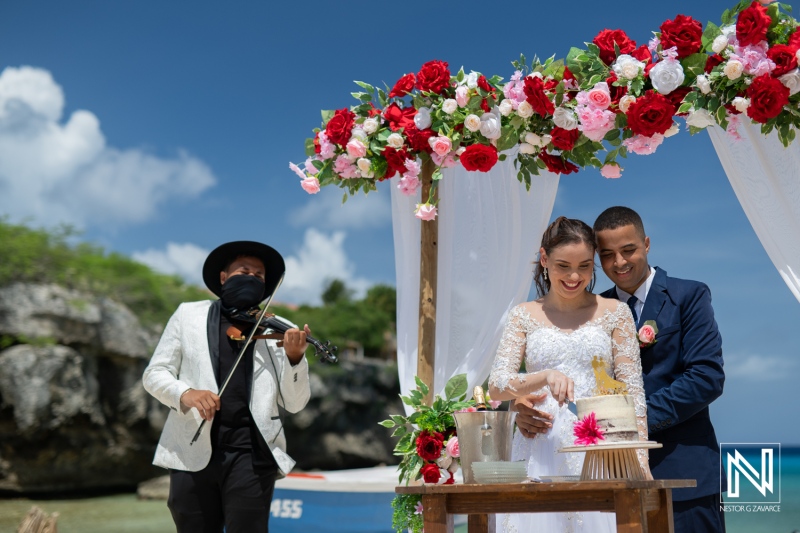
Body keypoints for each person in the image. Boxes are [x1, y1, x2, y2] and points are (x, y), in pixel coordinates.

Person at [514, 206, 726, 533]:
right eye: (608, 255)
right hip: (607, 479)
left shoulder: (689, 296)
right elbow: (564, 376)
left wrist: (627, 425)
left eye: (629, 250)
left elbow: (706, 379)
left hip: (684, 470)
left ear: (647, 244)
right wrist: (525, 407)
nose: (620, 262)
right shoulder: (594, 310)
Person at [488, 216, 650, 533]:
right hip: (537, 448)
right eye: (563, 265)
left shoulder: (616, 313)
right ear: (545, 259)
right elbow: (496, 386)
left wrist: (640, 464)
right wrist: (544, 376)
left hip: (599, 451)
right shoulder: (523, 315)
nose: (575, 276)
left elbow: (634, 397)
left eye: (585, 266)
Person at [143, 241, 312, 533]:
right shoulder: (188, 315)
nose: (252, 278)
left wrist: (295, 359)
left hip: (252, 455)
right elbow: (155, 373)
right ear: (223, 278)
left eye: (259, 276)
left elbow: (295, 404)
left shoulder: (278, 327)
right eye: (244, 271)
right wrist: (186, 393)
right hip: (191, 451)